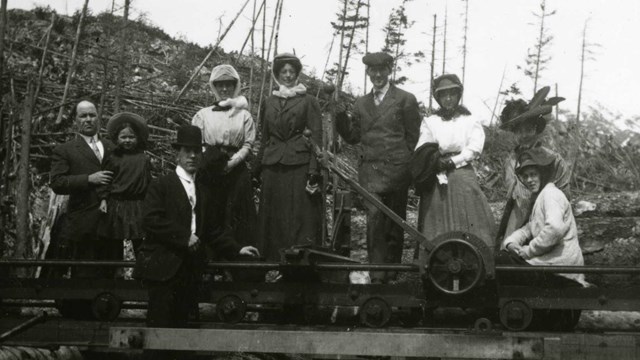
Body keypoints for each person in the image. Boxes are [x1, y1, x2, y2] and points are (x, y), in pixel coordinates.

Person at [134, 126, 258, 359]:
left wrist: (237, 247)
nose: (192, 156)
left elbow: (212, 230)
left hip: (189, 270)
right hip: (162, 269)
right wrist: (183, 237)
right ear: (177, 154)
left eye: (196, 152)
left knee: (183, 334)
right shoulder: (162, 185)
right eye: (187, 151)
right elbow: (150, 220)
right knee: (159, 335)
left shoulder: (203, 191)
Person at [335, 52, 421, 283]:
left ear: (389, 71)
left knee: (395, 223)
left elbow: (414, 137)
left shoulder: (405, 99)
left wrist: (405, 163)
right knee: (374, 222)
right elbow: (353, 137)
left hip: (397, 171)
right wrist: (340, 118)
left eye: (382, 70)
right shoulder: (361, 103)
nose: (378, 75)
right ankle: (377, 275)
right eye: (373, 71)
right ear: (368, 73)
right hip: (370, 173)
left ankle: (391, 274)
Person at [253, 53, 323, 261]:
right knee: (272, 215)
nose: (287, 75)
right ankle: (272, 261)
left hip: (298, 163)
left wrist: (313, 170)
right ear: (277, 74)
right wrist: (256, 168)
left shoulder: (308, 101)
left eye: (291, 72)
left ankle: (296, 261)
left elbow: (317, 138)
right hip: (273, 164)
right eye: (283, 71)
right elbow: (264, 137)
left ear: (297, 74)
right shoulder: (270, 101)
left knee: (297, 214)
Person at [413, 74, 496, 250]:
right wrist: (434, 161)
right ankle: (438, 261)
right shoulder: (431, 121)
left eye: (452, 94)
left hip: (461, 169)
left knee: (470, 213)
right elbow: (423, 146)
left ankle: (475, 258)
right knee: (436, 216)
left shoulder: (470, 120)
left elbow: (474, 147)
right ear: (438, 98)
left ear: (458, 95)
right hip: (438, 171)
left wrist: (453, 161)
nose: (448, 99)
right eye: (444, 95)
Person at [192, 64, 257, 250]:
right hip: (210, 168)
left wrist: (232, 162)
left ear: (235, 86)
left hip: (236, 169)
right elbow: (198, 143)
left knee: (237, 211)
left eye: (228, 85)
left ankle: (239, 257)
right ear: (214, 87)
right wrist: (213, 162)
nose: (224, 89)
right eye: (220, 85)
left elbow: (248, 143)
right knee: (211, 210)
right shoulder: (203, 115)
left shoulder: (244, 115)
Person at [50, 100, 116, 278]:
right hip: (82, 224)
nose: (88, 119)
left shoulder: (113, 147)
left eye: (92, 115)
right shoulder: (65, 150)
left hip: (112, 224)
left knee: (110, 282)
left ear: (98, 118)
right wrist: (89, 179)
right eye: (83, 116)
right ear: (75, 121)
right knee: (83, 279)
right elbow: (57, 182)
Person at [498, 87, 570, 241]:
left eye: (528, 129)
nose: (524, 135)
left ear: (536, 129)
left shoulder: (552, 159)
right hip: (518, 221)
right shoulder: (511, 161)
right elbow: (513, 196)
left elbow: (564, 194)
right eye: (519, 131)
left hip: (548, 220)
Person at [97, 112, 151, 261]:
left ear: (138, 138)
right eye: (123, 137)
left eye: (131, 137)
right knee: (114, 243)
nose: (127, 140)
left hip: (137, 205)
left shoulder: (144, 159)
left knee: (140, 242)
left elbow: (148, 183)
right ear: (117, 138)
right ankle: (115, 275)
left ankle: (143, 274)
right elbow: (105, 180)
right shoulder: (113, 158)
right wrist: (103, 199)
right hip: (116, 204)